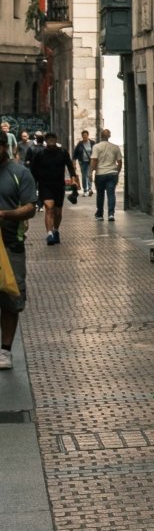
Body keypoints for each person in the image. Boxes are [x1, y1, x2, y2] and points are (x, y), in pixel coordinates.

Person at [0, 141, 38, 371]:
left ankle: (5, 350)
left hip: (11, 244)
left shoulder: (19, 173)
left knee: (11, 298)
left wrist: (6, 214)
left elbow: (30, 208)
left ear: (3, 146)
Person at [27, 133, 76, 246]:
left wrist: (73, 179)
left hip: (59, 185)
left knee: (58, 212)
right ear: (46, 141)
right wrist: (34, 184)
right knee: (49, 208)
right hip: (45, 185)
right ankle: (49, 234)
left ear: (56, 139)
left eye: (53, 138)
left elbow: (70, 166)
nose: (51, 140)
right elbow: (33, 170)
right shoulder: (40, 154)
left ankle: (56, 230)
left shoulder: (63, 152)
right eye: (48, 139)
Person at [91, 128, 124, 221]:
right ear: (109, 136)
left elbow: (94, 160)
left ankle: (100, 215)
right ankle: (111, 214)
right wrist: (117, 172)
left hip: (100, 174)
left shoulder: (96, 147)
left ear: (101, 136)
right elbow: (120, 162)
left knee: (100, 194)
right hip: (112, 174)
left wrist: (90, 173)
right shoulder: (115, 147)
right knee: (111, 194)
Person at [73, 130, 94, 195]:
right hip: (82, 162)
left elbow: (96, 152)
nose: (84, 137)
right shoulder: (80, 144)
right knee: (84, 176)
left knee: (89, 174)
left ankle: (90, 189)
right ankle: (85, 190)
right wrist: (74, 163)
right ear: (82, 136)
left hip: (90, 161)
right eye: (83, 136)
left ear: (88, 135)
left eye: (86, 135)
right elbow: (75, 154)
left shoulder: (92, 143)